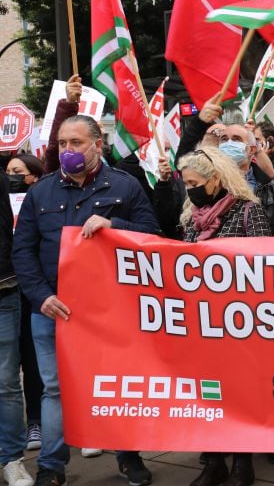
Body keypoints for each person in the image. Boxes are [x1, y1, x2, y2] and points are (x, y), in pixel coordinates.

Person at [11, 115, 159, 486]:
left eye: (76, 143)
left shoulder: (125, 187)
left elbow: (153, 237)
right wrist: (41, 297)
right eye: (62, 143)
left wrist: (116, 226)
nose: (68, 151)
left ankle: (128, 456)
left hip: (112, 310)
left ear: (98, 144)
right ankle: (51, 466)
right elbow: (23, 250)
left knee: (119, 382)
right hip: (53, 310)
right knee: (55, 388)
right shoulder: (41, 192)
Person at [178, 147, 272, 486]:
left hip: (240, 322)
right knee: (210, 394)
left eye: (194, 182)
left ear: (215, 179)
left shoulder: (248, 212)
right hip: (202, 322)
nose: (189, 188)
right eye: (186, 182)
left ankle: (242, 464)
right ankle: (215, 461)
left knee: (240, 394)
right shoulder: (192, 218)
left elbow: (264, 267)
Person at [4, 153, 43, 453]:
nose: (12, 177)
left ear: (34, 175)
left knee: (33, 362)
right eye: (8, 171)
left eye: (18, 171)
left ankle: (37, 422)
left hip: (33, 290)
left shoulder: (41, 199)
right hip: (12, 287)